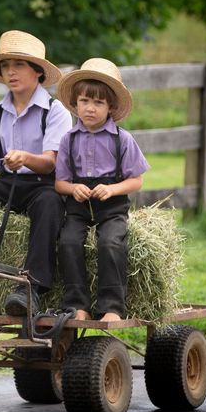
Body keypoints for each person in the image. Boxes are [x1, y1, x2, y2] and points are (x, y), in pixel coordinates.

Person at [0, 30, 72, 316]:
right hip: (7, 183)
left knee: (49, 204)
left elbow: (50, 163)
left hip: (43, 185)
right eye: (6, 66)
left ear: (38, 72)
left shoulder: (55, 111)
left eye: (18, 65)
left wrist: (25, 158)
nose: (10, 72)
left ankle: (31, 288)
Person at [54, 58, 150, 322]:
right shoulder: (69, 140)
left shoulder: (122, 139)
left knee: (110, 243)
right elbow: (59, 183)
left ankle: (112, 308)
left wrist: (113, 189)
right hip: (78, 208)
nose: (90, 108)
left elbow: (137, 180)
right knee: (69, 241)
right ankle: (77, 305)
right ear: (75, 105)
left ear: (111, 107)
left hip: (112, 208)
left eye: (98, 103)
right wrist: (73, 189)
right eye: (84, 101)